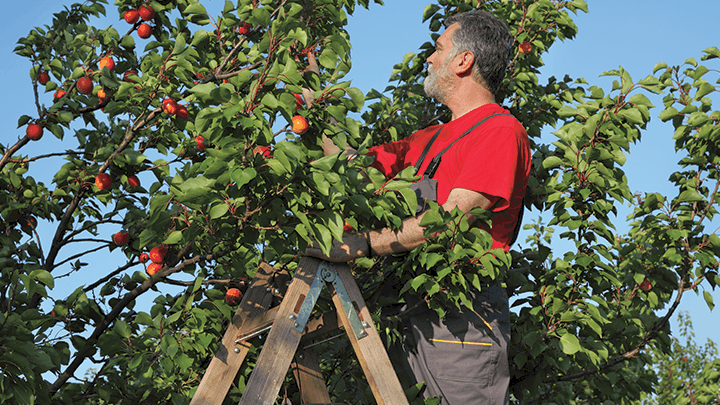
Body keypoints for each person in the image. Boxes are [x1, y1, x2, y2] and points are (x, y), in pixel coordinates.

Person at [305, 10, 530, 405]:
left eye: (439, 48)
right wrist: (313, 105)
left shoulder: (500, 131)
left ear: (464, 61)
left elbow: (450, 219)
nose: (429, 57)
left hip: (460, 318)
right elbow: (354, 169)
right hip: (405, 310)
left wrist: (362, 244)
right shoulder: (428, 140)